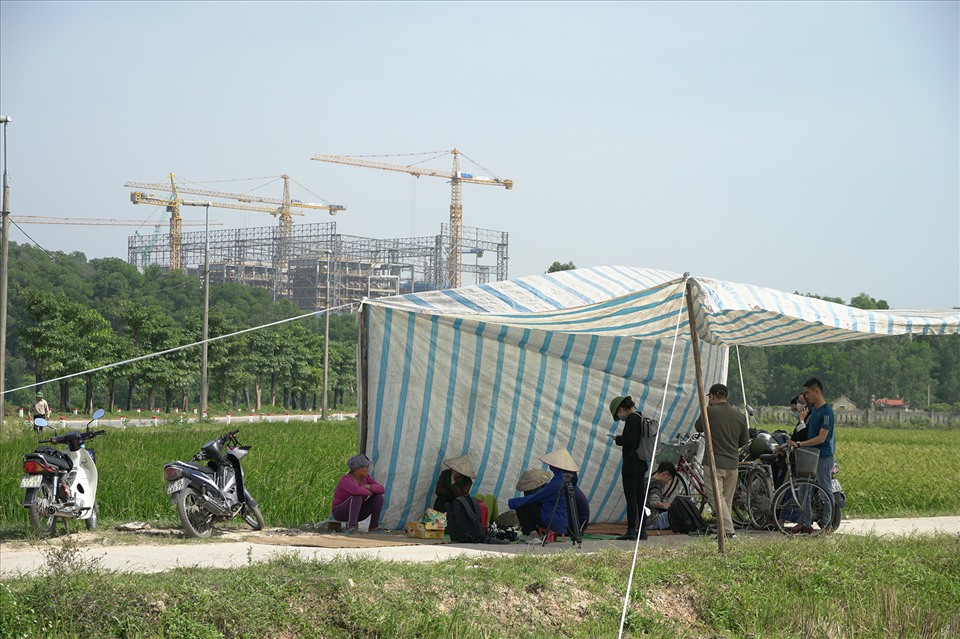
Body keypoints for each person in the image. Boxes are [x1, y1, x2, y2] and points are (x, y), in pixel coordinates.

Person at [695, 383, 749, 539]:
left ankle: (729, 531)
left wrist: (707, 408)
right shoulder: (740, 416)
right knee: (726, 501)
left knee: (716, 499)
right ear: (727, 397)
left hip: (714, 463)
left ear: (712, 397)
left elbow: (698, 427)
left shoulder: (708, 412)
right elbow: (743, 441)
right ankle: (723, 533)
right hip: (733, 464)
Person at [789, 377, 836, 535]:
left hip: (823, 456)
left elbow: (822, 438)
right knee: (804, 488)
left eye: (808, 393)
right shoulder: (813, 410)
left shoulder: (827, 412)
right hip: (810, 454)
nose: (806, 396)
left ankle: (827, 524)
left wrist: (801, 444)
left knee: (825, 490)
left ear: (817, 391)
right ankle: (805, 522)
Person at [507, 448, 581, 545]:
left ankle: (533, 535)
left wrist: (513, 502)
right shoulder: (570, 479)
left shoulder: (557, 482)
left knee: (522, 506)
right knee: (531, 504)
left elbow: (537, 497)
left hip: (554, 519)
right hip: (567, 520)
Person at [609, 395, 657, 541]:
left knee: (631, 499)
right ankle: (641, 531)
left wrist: (618, 439)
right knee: (640, 499)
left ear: (622, 409)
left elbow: (630, 441)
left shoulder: (631, 419)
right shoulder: (640, 416)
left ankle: (630, 531)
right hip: (641, 464)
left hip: (631, 465)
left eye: (618, 414)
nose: (620, 417)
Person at [331, 454, 385, 533]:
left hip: (357, 513)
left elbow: (381, 489)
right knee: (357, 497)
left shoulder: (366, 478)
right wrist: (368, 491)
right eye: (366, 467)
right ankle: (351, 527)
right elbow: (356, 491)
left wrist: (369, 486)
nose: (368, 470)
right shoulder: (345, 480)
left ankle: (373, 527)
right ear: (359, 469)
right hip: (340, 513)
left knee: (378, 498)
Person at [643, 461, 679, 532]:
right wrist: (666, 505)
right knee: (678, 512)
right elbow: (654, 502)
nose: (667, 482)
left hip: (639, 520)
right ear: (665, 474)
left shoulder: (645, 480)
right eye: (669, 479)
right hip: (651, 521)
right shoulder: (655, 486)